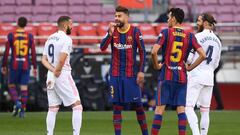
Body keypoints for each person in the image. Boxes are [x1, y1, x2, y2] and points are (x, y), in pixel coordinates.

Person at [150, 8, 206, 135]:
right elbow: (203, 54)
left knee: (159, 110)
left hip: (166, 75)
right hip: (181, 77)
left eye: (169, 17)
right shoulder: (190, 35)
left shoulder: (166, 33)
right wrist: (190, 68)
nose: (168, 20)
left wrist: (156, 66)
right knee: (181, 110)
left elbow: (153, 51)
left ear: (174, 18)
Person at [100, 5, 148, 135]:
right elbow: (102, 48)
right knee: (117, 107)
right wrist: (109, 33)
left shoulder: (135, 32)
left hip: (131, 76)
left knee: (138, 106)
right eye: (115, 16)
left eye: (119, 16)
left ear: (127, 17)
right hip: (115, 75)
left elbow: (143, 52)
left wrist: (141, 70)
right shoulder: (112, 31)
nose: (116, 18)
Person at [41, 16, 82, 135]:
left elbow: (43, 59)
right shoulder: (67, 39)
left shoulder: (49, 38)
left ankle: (49, 133)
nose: (72, 26)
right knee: (77, 106)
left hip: (50, 75)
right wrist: (57, 71)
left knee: (53, 108)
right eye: (71, 24)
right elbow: (62, 58)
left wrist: (53, 71)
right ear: (65, 25)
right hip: (62, 74)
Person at [185, 13, 222, 135]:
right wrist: (208, 69)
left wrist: (188, 66)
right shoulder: (218, 40)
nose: (197, 23)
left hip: (196, 75)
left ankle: (196, 134)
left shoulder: (197, 37)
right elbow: (216, 63)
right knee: (205, 111)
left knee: (188, 107)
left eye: (199, 21)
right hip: (209, 77)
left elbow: (189, 59)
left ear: (205, 23)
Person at [1, 17, 37, 118]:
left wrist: (4, 65)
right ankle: (22, 111)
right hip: (26, 64)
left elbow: (7, 51)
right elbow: (33, 53)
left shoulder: (11, 35)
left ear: (17, 23)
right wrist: (34, 66)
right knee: (24, 88)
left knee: (11, 85)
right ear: (26, 24)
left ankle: (17, 103)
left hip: (14, 64)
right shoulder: (29, 36)